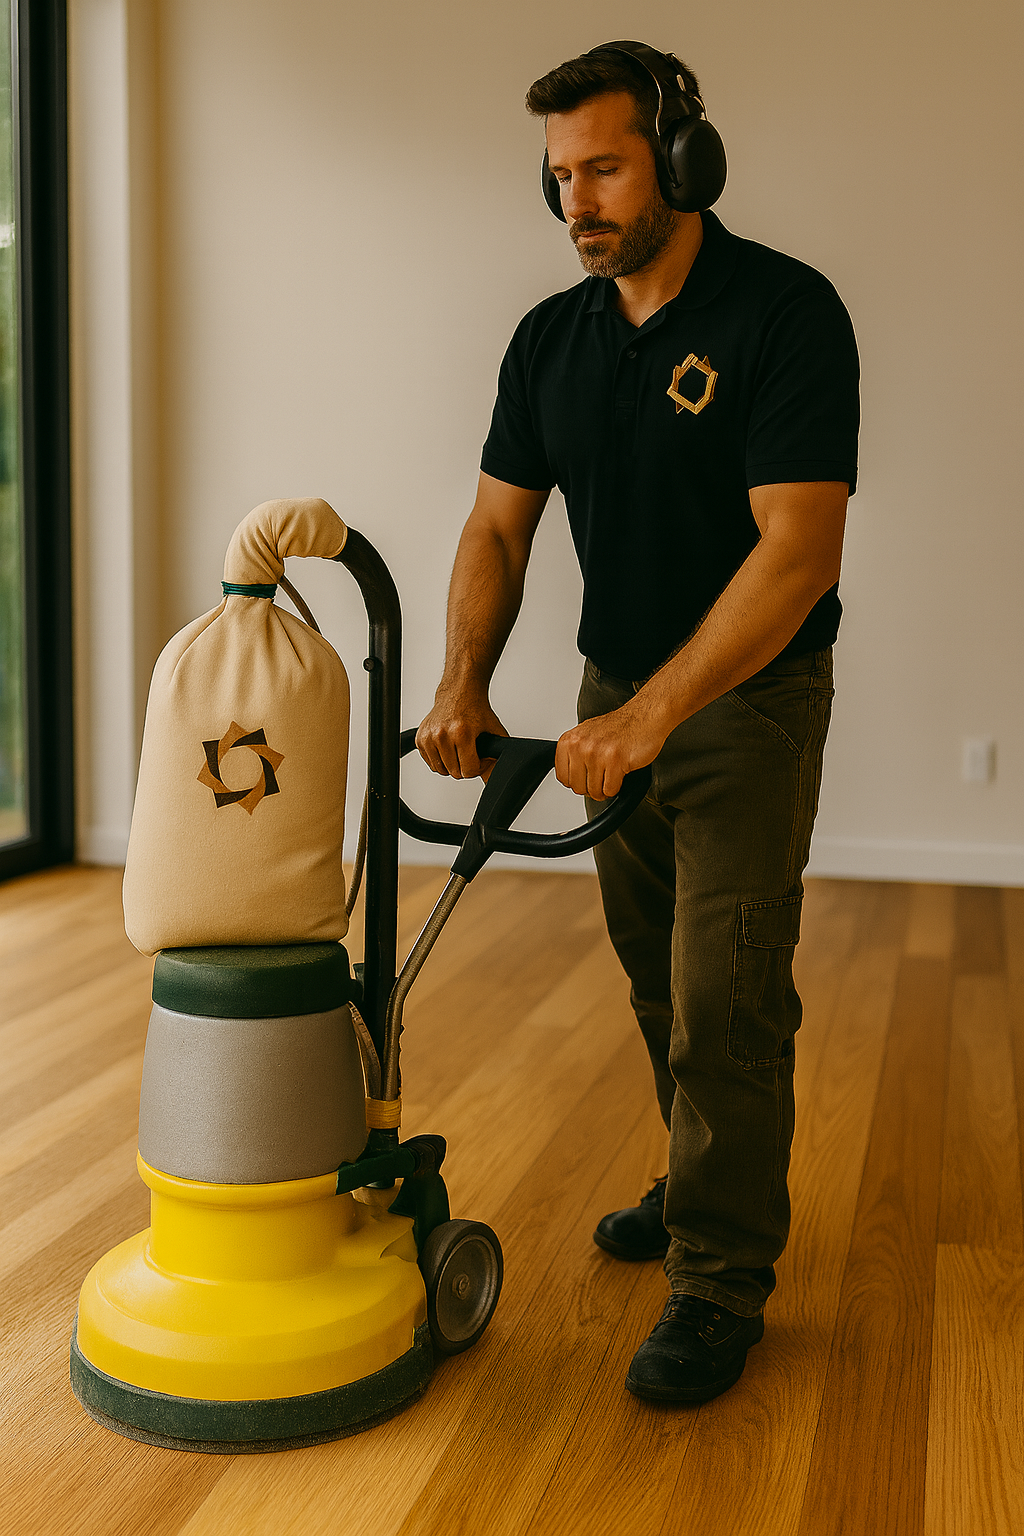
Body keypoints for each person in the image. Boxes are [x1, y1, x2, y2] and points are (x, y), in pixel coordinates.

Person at [416, 41, 859, 1405]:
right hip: (610, 705)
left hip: (744, 706)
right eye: (559, 176)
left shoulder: (786, 313)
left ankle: (719, 1280)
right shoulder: (550, 340)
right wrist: (462, 681)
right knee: (659, 980)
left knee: (727, 998)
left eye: (605, 169)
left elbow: (800, 552)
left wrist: (662, 708)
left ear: (680, 158)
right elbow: (498, 526)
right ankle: (694, 1178)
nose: (578, 202)